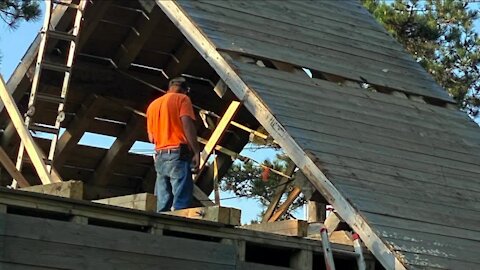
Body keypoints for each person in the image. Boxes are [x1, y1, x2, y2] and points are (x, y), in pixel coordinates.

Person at [146, 77, 200, 212]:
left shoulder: (152, 105)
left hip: (159, 154)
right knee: (181, 201)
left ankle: (158, 230)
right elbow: (187, 124)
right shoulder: (182, 99)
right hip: (177, 152)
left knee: (162, 201)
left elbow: (151, 138)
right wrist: (196, 151)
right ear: (186, 90)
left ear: (168, 88)